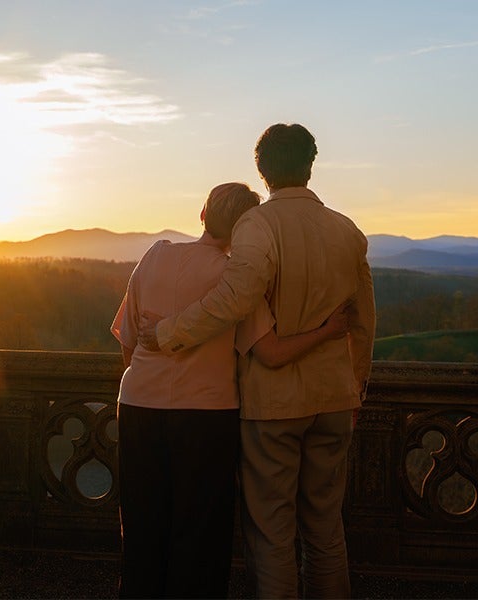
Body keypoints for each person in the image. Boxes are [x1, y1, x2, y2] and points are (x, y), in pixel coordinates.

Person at [141, 123, 376, 598]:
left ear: (262, 170)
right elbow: (363, 320)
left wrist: (168, 333)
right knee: (326, 530)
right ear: (310, 166)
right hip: (334, 398)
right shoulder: (347, 230)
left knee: (271, 535)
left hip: (274, 404)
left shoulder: (258, 225)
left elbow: (235, 297)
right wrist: (357, 387)